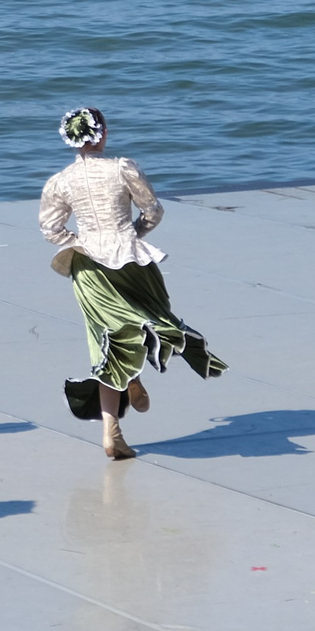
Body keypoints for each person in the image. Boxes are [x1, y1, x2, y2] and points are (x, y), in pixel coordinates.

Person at [39, 107, 225, 462]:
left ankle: (113, 431)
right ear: (103, 133)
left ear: (72, 141)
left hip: (89, 267)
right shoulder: (122, 168)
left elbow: (51, 230)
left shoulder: (60, 181)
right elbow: (153, 211)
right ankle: (132, 380)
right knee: (150, 320)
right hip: (131, 260)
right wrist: (130, 236)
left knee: (106, 344)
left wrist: (85, 239)